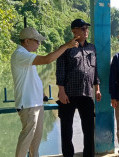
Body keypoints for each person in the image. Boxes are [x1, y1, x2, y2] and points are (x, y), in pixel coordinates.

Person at [11, 27, 78, 157]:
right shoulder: (21, 54)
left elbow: (32, 78)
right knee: (26, 139)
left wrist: (41, 93)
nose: (39, 43)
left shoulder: (27, 57)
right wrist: (66, 46)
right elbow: (47, 59)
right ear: (26, 41)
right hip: (28, 104)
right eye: (36, 40)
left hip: (35, 103)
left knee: (35, 142)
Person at [56, 18, 101, 157]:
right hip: (68, 94)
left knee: (89, 129)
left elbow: (95, 69)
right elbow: (60, 71)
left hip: (86, 93)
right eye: (82, 28)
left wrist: (97, 88)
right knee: (66, 129)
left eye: (86, 28)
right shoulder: (65, 49)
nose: (85, 31)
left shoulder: (91, 48)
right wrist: (61, 92)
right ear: (74, 31)